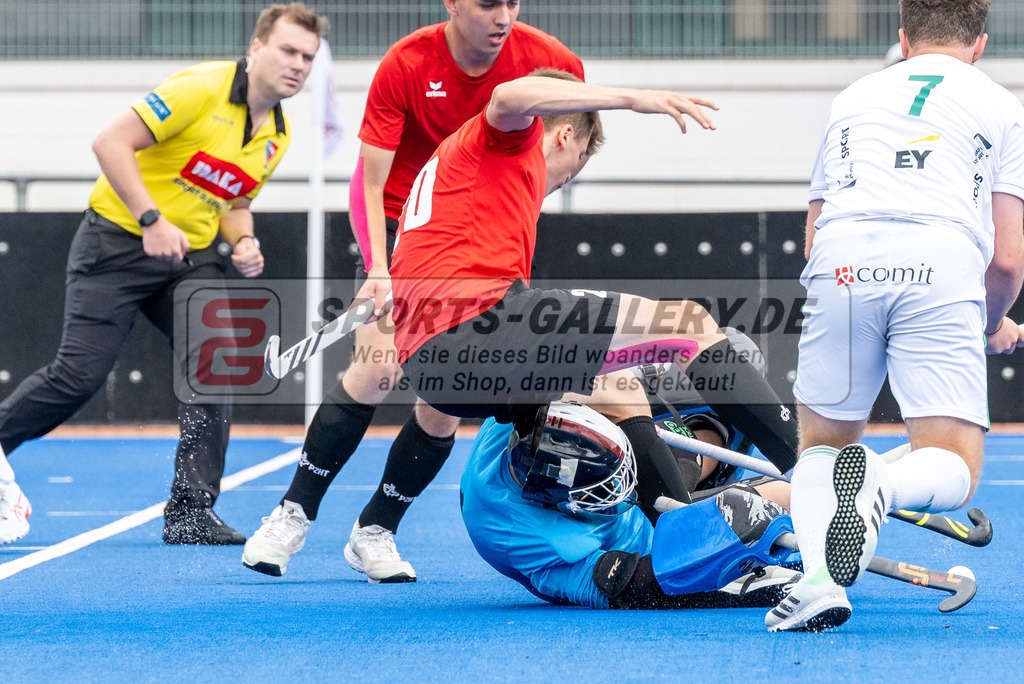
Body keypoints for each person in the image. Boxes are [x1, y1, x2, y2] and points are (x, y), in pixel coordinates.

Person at [243, 0, 584, 581]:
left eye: (511, 2)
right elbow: (370, 179)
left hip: (488, 240)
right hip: (410, 230)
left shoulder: (551, 61)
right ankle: (293, 513)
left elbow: (561, 149)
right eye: (486, 4)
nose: (502, 15)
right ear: (453, 3)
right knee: (377, 367)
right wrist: (378, 265)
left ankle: (376, 528)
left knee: (444, 399)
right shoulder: (408, 62)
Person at [383, 69, 799, 527]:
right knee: (688, 324)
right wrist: (632, 97)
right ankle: (816, 464)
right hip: (473, 329)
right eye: (576, 163)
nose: (563, 182)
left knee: (614, 386)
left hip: (433, 368)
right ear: (563, 136)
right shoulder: (510, 142)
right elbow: (507, 96)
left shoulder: (463, 179)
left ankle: (677, 526)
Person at [0, 3, 329, 546]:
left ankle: (189, 512)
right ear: (256, 48)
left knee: (215, 363)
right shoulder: (199, 89)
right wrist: (150, 219)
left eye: (308, 58)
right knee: (77, 377)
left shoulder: (277, 133)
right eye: (288, 51)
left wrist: (243, 238)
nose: (298, 64)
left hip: (190, 258)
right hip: (116, 243)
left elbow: (234, 200)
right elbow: (109, 143)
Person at [767, 0, 1024, 632]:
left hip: (844, 262)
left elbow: (813, 231)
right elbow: (1009, 260)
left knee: (822, 448)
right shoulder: (1000, 103)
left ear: (903, 38)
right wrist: (991, 322)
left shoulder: (853, 95)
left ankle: (821, 586)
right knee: (955, 464)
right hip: (939, 262)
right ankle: (880, 483)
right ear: (981, 43)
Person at [460, 399, 800, 609]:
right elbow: (632, 587)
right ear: (563, 506)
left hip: (612, 455)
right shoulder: (539, 546)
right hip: (645, 543)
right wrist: (736, 574)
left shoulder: (526, 412)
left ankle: (693, 455)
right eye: (610, 490)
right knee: (769, 504)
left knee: (732, 395)